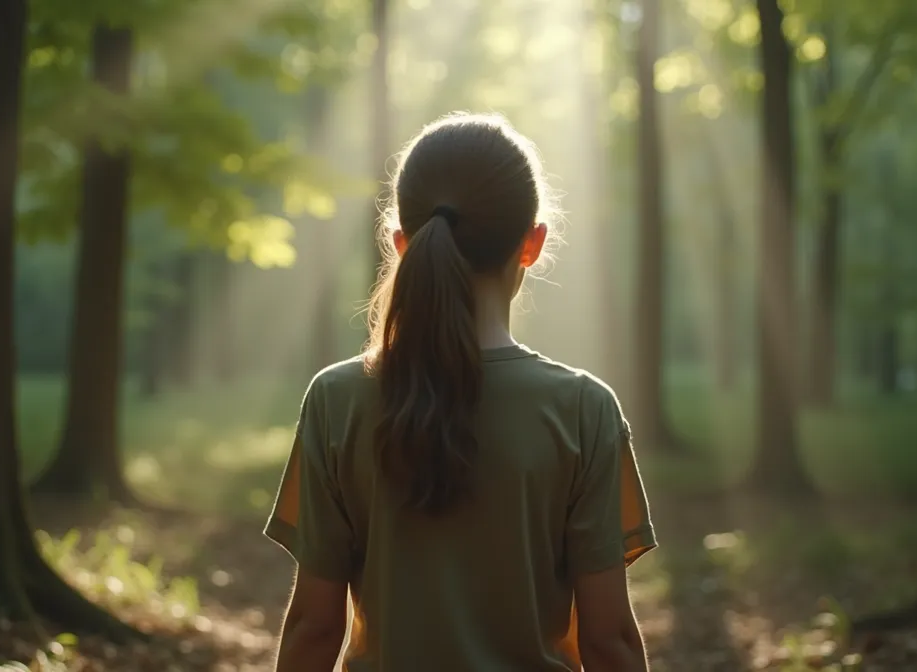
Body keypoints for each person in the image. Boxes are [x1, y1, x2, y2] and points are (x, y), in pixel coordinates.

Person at [265, 113, 655, 671]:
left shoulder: (337, 399)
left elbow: (313, 625)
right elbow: (610, 637)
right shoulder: (584, 410)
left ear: (402, 244)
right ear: (533, 243)